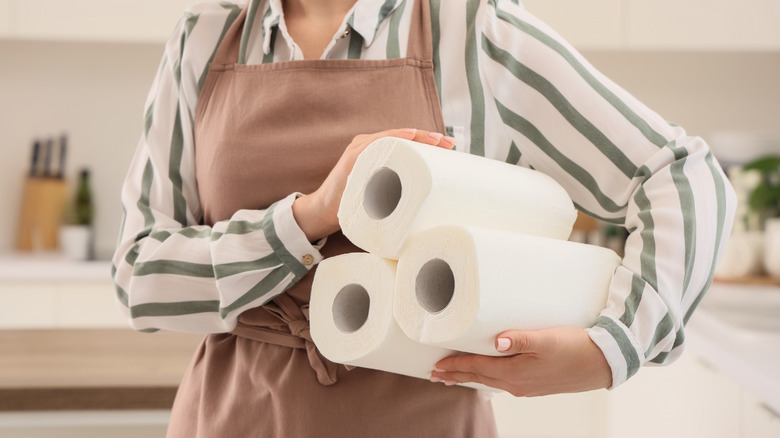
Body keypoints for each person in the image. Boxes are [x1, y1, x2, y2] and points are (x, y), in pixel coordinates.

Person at [111, 0, 736, 436]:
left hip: (422, 420)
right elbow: (138, 276)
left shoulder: (472, 30)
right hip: (230, 420)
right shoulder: (203, 39)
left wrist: (615, 345)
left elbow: (681, 172)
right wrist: (306, 219)